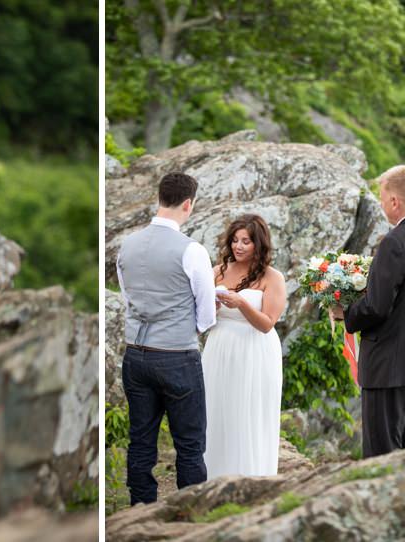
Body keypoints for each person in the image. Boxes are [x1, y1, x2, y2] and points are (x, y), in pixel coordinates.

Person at [332, 165, 405, 458]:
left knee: (381, 457)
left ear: (395, 202)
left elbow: (376, 306)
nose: (383, 206)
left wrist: (345, 312)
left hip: (389, 366)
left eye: (383, 199)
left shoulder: (396, 242)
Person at [118, 172, 215, 504]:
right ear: (188, 204)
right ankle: (188, 513)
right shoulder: (192, 250)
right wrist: (187, 331)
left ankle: (140, 509)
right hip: (176, 356)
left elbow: (128, 298)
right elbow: (206, 313)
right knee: (189, 443)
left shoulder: (126, 246)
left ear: (159, 198)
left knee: (141, 440)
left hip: (135, 354)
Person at [201, 214, 287, 478]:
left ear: (258, 244)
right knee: (216, 410)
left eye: (246, 241)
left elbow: (267, 324)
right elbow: (203, 321)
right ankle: (213, 475)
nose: (238, 246)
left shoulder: (272, 277)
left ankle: (252, 475)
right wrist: (211, 309)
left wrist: (243, 304)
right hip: (219, 347)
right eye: (235, 240)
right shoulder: (217, 271)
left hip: (254, 351)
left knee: (249, 413)